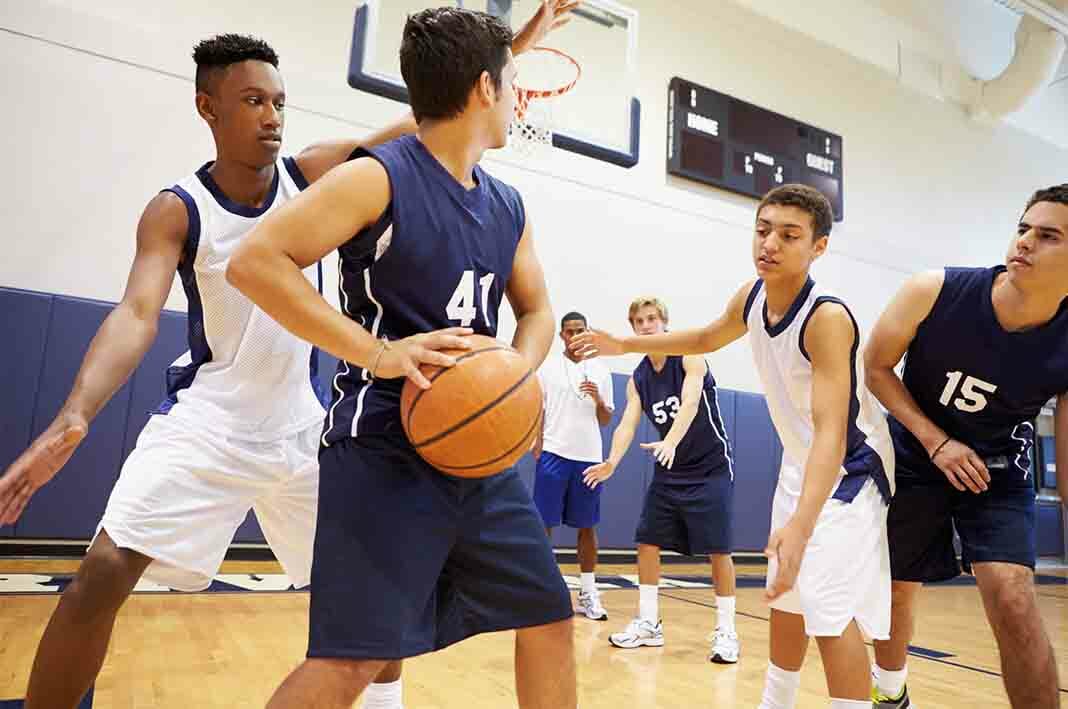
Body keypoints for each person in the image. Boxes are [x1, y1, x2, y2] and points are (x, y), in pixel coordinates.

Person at [0, 4, 574, 707]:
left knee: (378, 632)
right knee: (104, 573)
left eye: (278, 101)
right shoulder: (180, 208)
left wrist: (511, 49)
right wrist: (76, 413)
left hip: (303, 428)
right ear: (208, 108)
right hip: (211, 422)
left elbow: (436, 121)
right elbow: (136, 314)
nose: (272, 116)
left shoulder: (313, 174)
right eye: (253, 101)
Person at [227, 7, 577, 708]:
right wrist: (378, 352)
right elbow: (255, 261)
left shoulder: (508, 205)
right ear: (485, 88)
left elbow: (537, 310)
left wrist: (515, 372)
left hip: (477, 453)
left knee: (548, 615)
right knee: (350, 662)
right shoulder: (378, 178)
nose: (518, 98)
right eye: (512, 82)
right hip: (384, 444)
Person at [573, 185, 894, 708]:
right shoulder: (752, 296)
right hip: (802, 461)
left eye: (788, 235)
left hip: (851, 468)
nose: (770, 243)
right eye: (763, 230)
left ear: (818, 247)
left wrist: (802, 524)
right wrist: (627, 344)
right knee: (786, 595)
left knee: (828, 606)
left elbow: (832, 433)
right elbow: (705, 338)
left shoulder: (826, 319)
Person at [866, 184, 1068, 709]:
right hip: (916, 453)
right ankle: (890, 693)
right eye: (1023, 228)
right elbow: (876, 367)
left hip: (997, 470)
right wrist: (938, 442)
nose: (1025, 241)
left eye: (1048, 235)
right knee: (898, 587)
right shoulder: (934, 289)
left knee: (1013, 597)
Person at [581, 296, 739, 663]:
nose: (646, 325)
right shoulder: (638, 377)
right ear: (633, 328)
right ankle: (649, 623)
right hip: (671, 469)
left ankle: (727, 630)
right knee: (647, 541)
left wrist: (671, 440)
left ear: (664, 322)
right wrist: (612, 461)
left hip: (710, 467)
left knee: (719, 549)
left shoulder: (689, 355)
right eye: (639, 321)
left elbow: (691, 403)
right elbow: (627, 423)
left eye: (652, 319)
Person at [532, 311, 614, 621]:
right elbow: (538, 409)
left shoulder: (601, 370)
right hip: (553, 453)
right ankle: (541, 591)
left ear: (587, 332)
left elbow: (605, 419)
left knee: (587, 525)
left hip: (588, 458)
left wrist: (598, 400)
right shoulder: (548, 368)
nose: (575, 336)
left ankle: (588, 592)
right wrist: (537, 442)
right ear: (562, 336)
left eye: (580, 330)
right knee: (544, 523)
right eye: (570, 331)